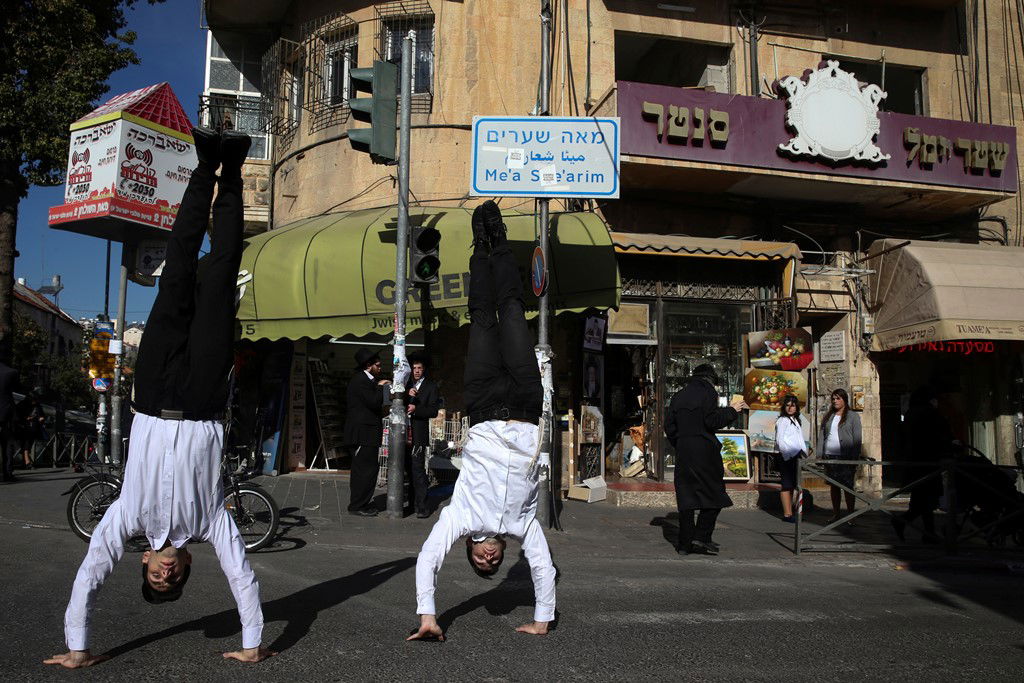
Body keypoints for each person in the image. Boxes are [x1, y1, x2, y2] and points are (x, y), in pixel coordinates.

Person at [45, 127, 273, 669]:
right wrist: (251, 643)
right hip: (200, 398)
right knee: (219, 273)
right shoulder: (211, 520)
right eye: (174, 579)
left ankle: (202, 167)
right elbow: (241, 575)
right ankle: (233, 168)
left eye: (155, 575)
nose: (165, 574)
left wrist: (78, 648)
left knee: (177, 270)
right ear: (188, 564)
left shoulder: (126, 516)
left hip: (150, 394)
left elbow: (92, 572)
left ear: (145, 560)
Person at [407, 200, 555, 642]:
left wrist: (427, 614)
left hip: (484, 404)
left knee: (481, 320)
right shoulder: (524, 525)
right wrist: (542, 618)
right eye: (494, 562)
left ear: (470, 549)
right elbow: (544, 568)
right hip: (527, 404)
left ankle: (480, 246)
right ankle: (501, 242)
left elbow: (428, 556)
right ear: (502, 552)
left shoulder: (460, 516)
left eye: (480, 561)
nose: (489, 559)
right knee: (511, 310)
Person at [664, 364, 747, 556]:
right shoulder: (708, 392)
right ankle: (701, 536)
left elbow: (670, 426)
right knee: (715, 494)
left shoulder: (678, 395)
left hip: (684, 451)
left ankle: (684, 544)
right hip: (705, 451)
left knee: (686, 498)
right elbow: (711, 421)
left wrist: (682, 442)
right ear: (710, 379)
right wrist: (732, 411)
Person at [891, 386, 950, 543]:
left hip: (914, 464)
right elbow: (941, 437)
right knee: (927, 500)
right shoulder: (931, 414)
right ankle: (914, 527)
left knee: (922, 501)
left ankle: (927, 533)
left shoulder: (910, 414)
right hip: (928, 463)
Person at [344, 348, 391, 516]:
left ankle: (361, 503)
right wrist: (380, 387)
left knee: (368, 469)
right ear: (368, 365)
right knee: (364, 471)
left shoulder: (367, 380)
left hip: (368, 434)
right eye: (377, 364)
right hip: (362, 435)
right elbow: (373, 402)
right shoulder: (361, 381)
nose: (380, 367)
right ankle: (357, 505)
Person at [820, 388, 862, 524]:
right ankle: (836, 513)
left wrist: (855, 458)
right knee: (834, 486)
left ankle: (850, 515)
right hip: (830, 456)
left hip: (846, 457)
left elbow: (857, 438)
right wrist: (819, 454)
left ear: (844, 400)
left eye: (838, 398)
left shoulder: (853, 416)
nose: (835, 401)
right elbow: (822, 435)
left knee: (848, 486)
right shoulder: (828, 416)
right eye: (833, 398)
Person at [405, 353, 440, 518]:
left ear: (424, 369)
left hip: (418, 433)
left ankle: (422, 506)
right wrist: (406, 394)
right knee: (407, 470)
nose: (417, 371)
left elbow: (433, 411)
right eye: (414, 368)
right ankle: (411, 504)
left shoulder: (431, 386)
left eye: (419, 368)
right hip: (404, 433)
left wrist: (416, 409)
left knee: (418, 470)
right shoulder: (406, 384)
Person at [774, 394, 807, 523]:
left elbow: (798, 439)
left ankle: (792, 511)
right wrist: (787, 455)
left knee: (793, 484)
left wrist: (803, 452)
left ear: (796, 407)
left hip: (795, 455)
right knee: (786, 485)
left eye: (792, 406)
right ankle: (787, 514)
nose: (790, 408)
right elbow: (780, 440)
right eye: (787, 405)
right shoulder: (783, 420)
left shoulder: (796, 420)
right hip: (787, 456)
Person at [16, 392, 45, 469]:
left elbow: (41, 414)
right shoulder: (22, 405)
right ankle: (27, 462)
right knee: (26, 445)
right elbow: (17, 416)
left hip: (34, 429)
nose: (35, 401)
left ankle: (24, 462)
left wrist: (41, 418)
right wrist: (26, 419)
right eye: (34, 400)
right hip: (23, 428)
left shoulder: (37, 405)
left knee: (29, 445)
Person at [0, 361, 17, 482]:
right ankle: (7, 472)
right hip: (5, 416)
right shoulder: (11, 372)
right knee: (7, 446)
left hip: (5, 414)